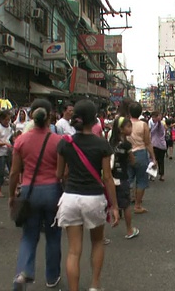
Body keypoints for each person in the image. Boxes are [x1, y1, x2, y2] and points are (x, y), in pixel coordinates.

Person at [55, 100, 119, 291]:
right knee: (97, 241)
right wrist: (114, 206)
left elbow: (60, 174)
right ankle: (94, 286)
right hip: (94, 198)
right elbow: (107, 178)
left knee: (74, 251)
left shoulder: (65, 143)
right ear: (94, 120)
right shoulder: (102, 144)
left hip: (70, 198)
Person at [8, 99, 63, 290]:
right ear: (50, 116)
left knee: (29, 236)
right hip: (53, 192)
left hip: (29, 192)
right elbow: (63, 172)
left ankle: (23, 272)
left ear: (31, 115)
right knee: (54, 235)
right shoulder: (58, 141)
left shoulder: (21, 140)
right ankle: (52, 276)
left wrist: (11, 196)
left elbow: (14, 172)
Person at [109, 116, 139, 239]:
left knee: (112, 201)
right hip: (122, 177)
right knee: (126, 204)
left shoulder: (111, 142)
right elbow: (132, 161)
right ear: (121, 129)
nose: (131, 128)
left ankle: (114, 219)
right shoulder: (126, 145)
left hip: (110, 177)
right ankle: (129, 230)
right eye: (128, 126)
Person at [127, 102, 157, 214]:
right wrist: (153, 158)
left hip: (127, 153)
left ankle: (123, 205)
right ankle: (137, 205)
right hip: (141, 153)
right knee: (141, 180)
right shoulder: (143, 125)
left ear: (129, 112)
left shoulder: (125, 123)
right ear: (140, 112)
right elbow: (148, 143)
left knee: (127, 179)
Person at [0, 110, 14, 198]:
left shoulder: (10, 128)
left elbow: (11, 138)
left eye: (8, 120)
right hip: (0, 153)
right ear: (1, 119)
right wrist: (4, 144)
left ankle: (13, 189)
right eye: (6, 120)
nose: (7, 122)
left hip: (8, 152)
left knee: (12, 171)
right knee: (0, 172)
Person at [150, 111, 167, 181]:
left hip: (158, 145)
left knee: (156, 160)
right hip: (158, 145)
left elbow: (159, 124)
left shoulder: (159, 124)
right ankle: (158, 175)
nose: (153, 119)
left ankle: (157, 175)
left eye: (154, 117)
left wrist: (159, 119)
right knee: (157, 160)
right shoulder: (154, 124)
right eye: (152, 117)